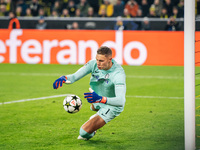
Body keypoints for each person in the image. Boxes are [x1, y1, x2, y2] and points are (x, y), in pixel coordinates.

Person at [53, 46, 126, 140]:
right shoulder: (93, 64)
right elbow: (74, 77)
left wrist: (101, 99)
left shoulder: (118, 74)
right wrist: (64, 78)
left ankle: (95, 124)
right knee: (93, 107)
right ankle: (97, 113)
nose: (98, 63)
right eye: (97, 60)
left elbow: (120, 101)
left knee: (83, 133)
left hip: (112, 105)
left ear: (110, 59)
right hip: (97, 98)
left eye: (101, 61)